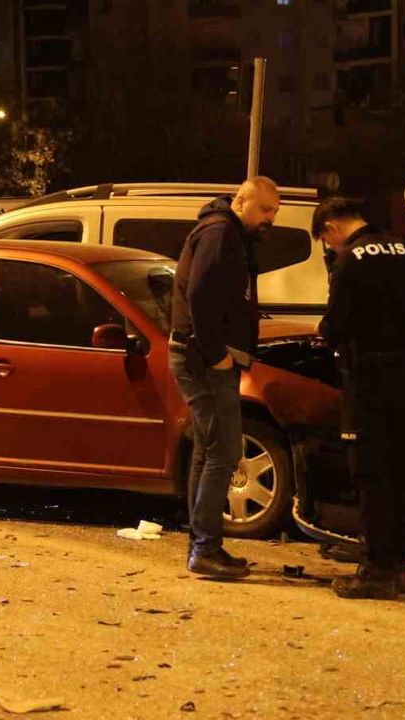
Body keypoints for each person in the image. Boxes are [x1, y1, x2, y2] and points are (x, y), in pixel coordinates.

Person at [315, 197, 405, 599]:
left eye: (326, 242)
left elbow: (335, 324)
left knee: (369, 473)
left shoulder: (351, 259)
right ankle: (398, 563)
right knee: (400, 470)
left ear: (332, 228)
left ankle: (376, 569)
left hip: (367, 379)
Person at [169, 176, 280, 578]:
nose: (270, 218)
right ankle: (205, 548)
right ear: (241, 201)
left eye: (274, 212)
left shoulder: (226, 232)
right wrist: (215, 354)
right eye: (265, 209)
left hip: (201, 356)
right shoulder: (220, 233)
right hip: (204, 359)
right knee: (223, 451)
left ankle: (204, 543)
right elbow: (199, 294)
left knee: (208, 448)